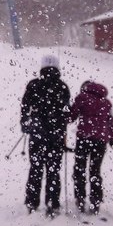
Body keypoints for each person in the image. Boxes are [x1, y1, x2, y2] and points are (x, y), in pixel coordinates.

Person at [20, 54, 71, 217]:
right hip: (55, 135)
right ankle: (52, 203)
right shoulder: (62, 87)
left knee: (35, 169)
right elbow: (66, 113)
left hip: (37, 135)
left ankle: (32, 203)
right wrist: (61, 128)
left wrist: (25, 124)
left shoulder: (34, 85)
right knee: (53, 170)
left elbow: (25, 106)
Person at [69, 80, 113, 214]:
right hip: (100, 141)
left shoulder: (82, 98)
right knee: (95, 170)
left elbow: (71, 116)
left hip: (84, 139)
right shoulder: (106, 103)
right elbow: (112, 121)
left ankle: (80, 199)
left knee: (80, 169)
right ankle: (95, 201)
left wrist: (65, 111)